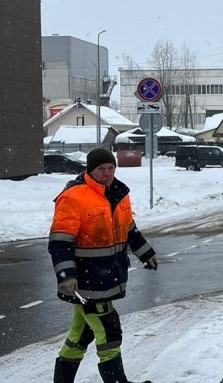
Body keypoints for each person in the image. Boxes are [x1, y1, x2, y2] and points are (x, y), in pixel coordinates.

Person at [48, 148, 158, 383]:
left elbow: (129, 229)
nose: (107, 173)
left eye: (111, 168)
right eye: (101, 169)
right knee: (109, 330)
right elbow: (60, 242)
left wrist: (145, 252)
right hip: (87, 281)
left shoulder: (119, 193)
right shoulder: (74, 197)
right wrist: (66, 276)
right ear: (90, 170)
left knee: (81, 333)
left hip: (108, 277)